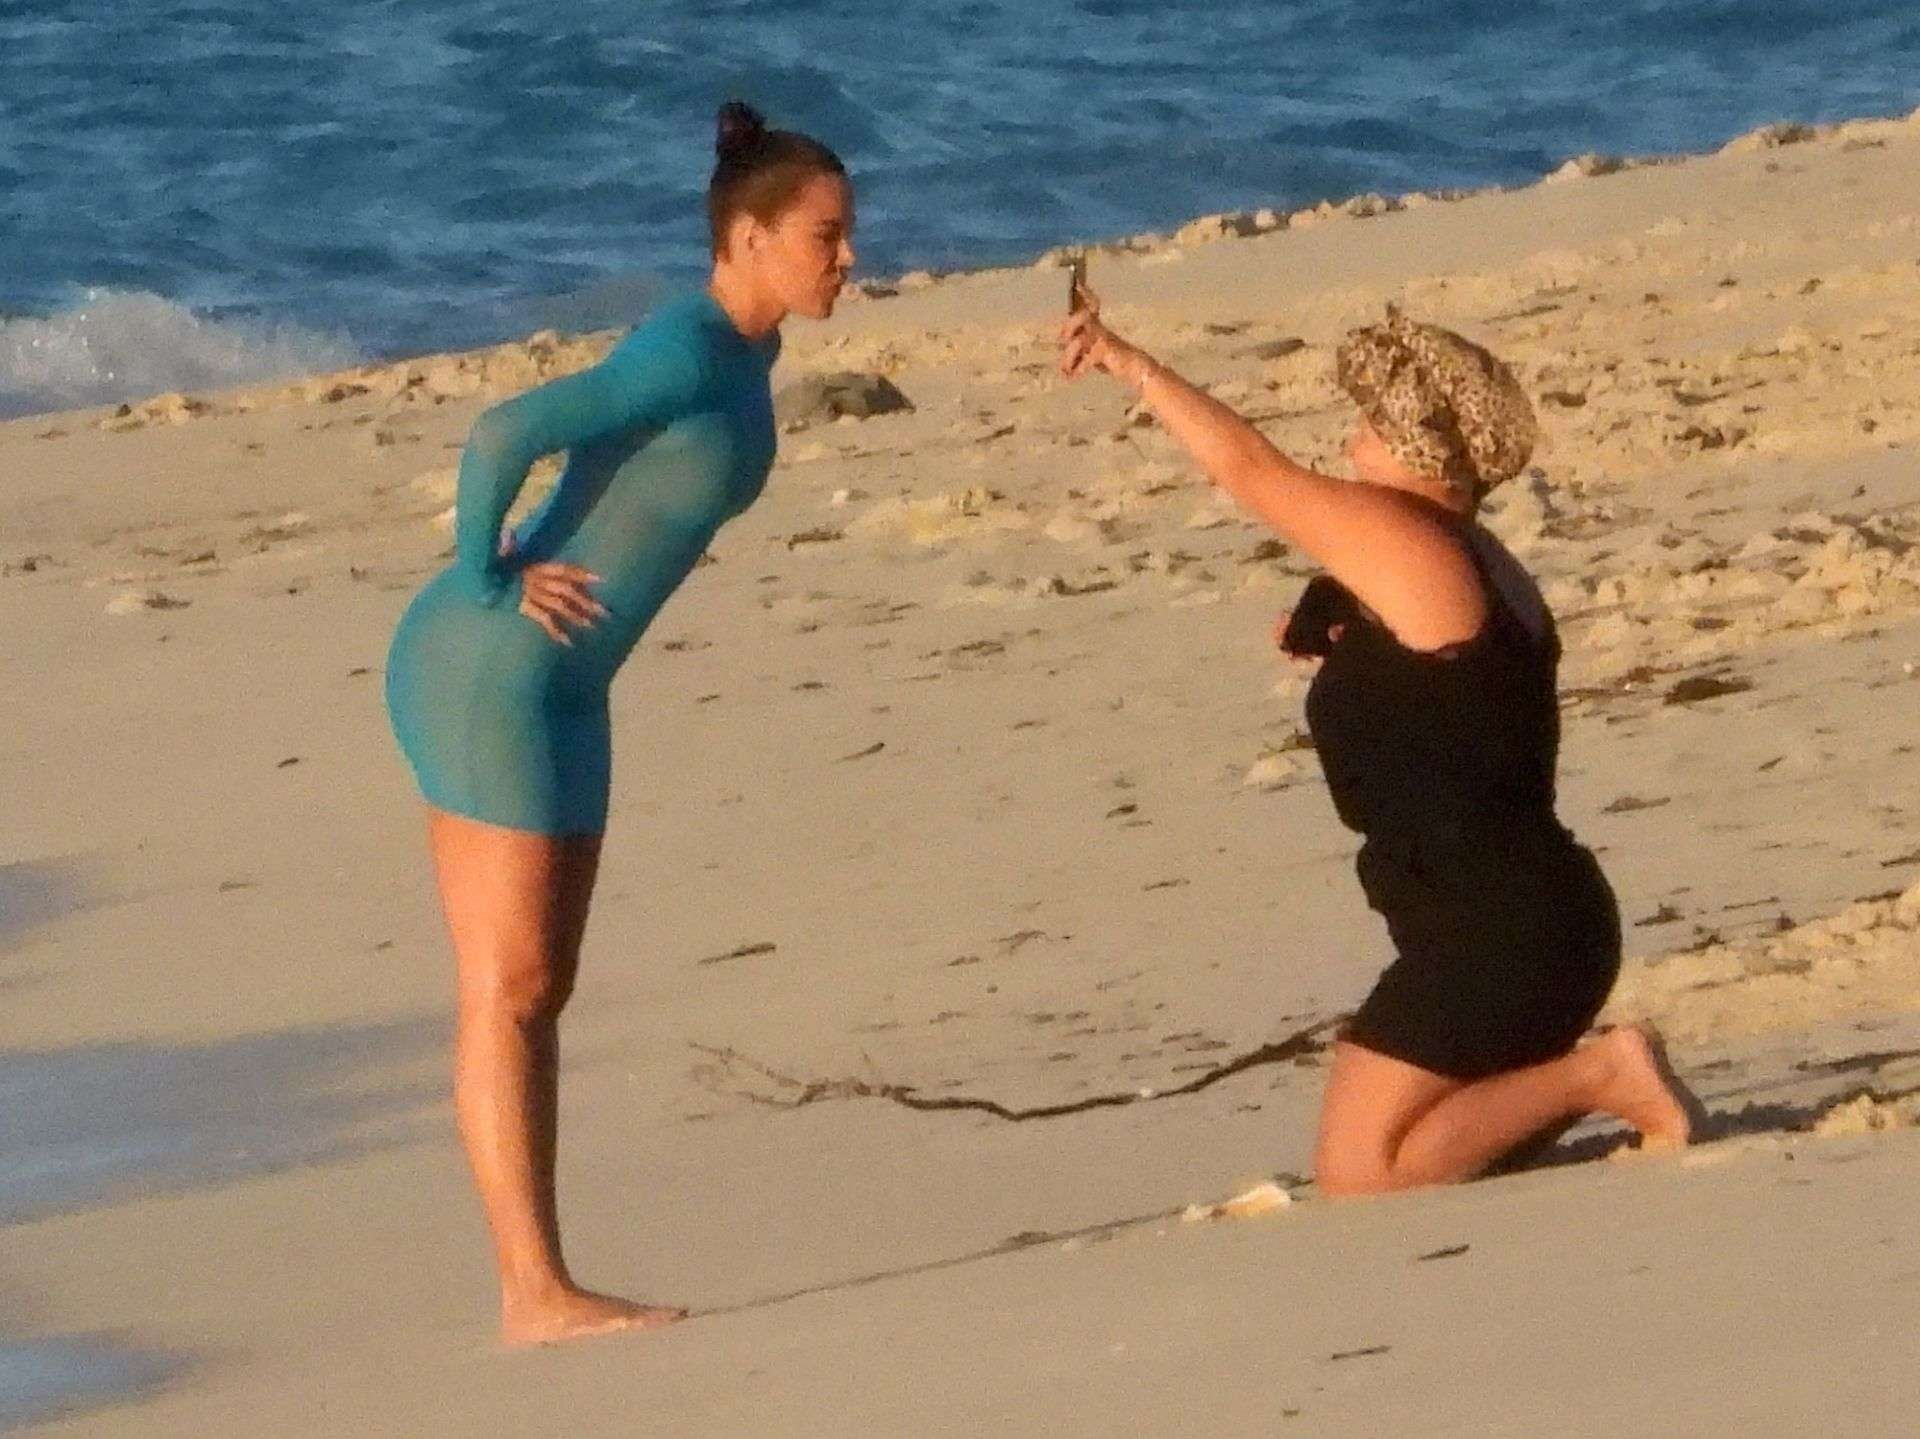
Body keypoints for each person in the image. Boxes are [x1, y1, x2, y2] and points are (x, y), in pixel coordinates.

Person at [385, 102, 854, 1344]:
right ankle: (530, 1292)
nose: (849, 257)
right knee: (506, 984)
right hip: (491, 669)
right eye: (826, 235)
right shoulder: (686, 348)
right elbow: (506, 431)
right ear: (749, 239)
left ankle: (543, 1277)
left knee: (543, 985)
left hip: (571, 686)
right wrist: (487, 572)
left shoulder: (747, 353)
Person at [1058, 295, 1700, 1194]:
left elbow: (1251, 471)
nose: (1357, 428)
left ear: (1421, 446)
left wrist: (1134, 367)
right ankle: (1594, 1079)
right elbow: (1456, 702)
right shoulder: (1473, 558)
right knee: (1407, 1157)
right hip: (1535, 920)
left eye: (1377, 416)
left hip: (1497, 933)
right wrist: (1343, 647)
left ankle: (1606, 1075)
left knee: (1362, 1173)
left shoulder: (1410, 541)